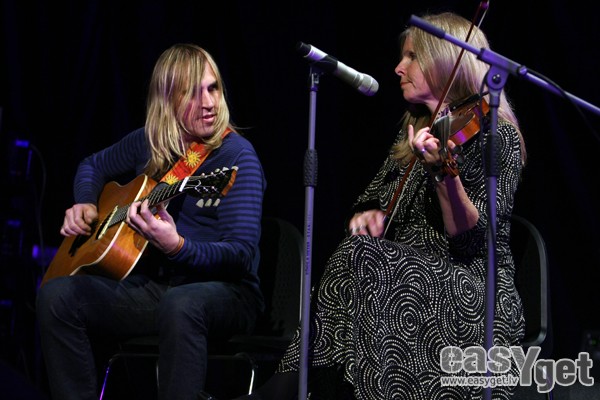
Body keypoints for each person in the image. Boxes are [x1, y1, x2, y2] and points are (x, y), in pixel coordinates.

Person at [234, 11, 526, 400]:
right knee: (358, 255)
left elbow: (470, 240)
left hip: (471, 290)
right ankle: (301, 388)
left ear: (444, 61)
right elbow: (372, 202)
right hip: (400, 276)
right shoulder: (416, 133)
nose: (398, 68)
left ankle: (286, 391)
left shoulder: (496, 137)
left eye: (411, 57)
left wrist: (443, 173)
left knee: (363, 260)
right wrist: (367, 217)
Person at [36, 43, 266, 400]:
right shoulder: (150, 142)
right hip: (160, 289)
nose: (209, 102)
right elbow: (92, 165)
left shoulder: (238, 156)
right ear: (167, 101)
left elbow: (240, 253)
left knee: (182, 304)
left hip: (227, 292)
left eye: (213, 88)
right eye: (193, 93)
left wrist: (178, 247)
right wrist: (85, 202)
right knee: (57, 296)